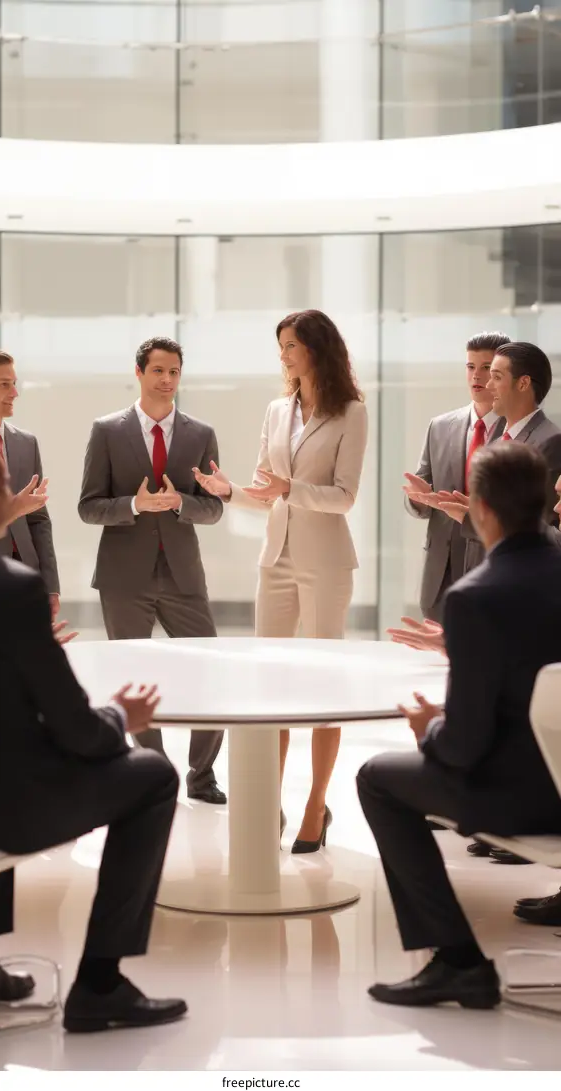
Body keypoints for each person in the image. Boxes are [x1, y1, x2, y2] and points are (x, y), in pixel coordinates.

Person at [0, 433, 186, 1032]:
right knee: (153, 776)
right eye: (4, 487)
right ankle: (101, 985)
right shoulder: (10, 588)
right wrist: (121, 718)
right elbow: (77, 730)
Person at [357, 442, 561, 1009]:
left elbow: (465, 747)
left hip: (525, 801)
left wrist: (430, 729)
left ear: (481, 509)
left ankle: (458, 961)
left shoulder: (475, 597)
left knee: (377, 779)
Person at [194, 309, 368, 851]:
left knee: (323, 689)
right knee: (271, 687)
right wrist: (229, 492)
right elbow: (267, 493)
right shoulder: (277, 410)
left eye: (291, 345)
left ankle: (317, 804)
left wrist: (289, 489)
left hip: (326, 564)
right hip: (276, 561)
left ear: (316, 348)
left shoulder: (352, 412)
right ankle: (268, 802)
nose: (284, 355)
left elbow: (344, 498)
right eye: (282, 346)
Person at [78, 336, 225, 805]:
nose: (167, 380)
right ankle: (155, 774)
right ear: (139, 372)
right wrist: (134, 506)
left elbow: (214, 508)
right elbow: (88, 506)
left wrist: (182, 502)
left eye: (174, 372)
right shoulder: (107, 430)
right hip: (124, 578)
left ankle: (202, 776)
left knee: (211, 672)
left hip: (183, 575)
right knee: (133, 676)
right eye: (158, 370)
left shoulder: (200, 434)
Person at [403, 332, 509, 622]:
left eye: (486, 367)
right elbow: (420, 497)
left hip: (492, 566)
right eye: (470, 366)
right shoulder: (439, 426)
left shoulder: (517, 431)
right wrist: (419, 499)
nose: (477, 376)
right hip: (442, 571)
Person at [434, 342, 561, 572]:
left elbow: (539, 532)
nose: (488, 385)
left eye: (496, 377)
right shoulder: (495, 440)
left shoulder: (549, 442)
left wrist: (472, 517)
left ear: (523, 383)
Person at [0, 347, 60, 619]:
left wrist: (51, 586)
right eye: (4, 384)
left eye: (14, 383)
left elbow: (39, 520)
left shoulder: (26, 443)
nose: (15, 393)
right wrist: (14, 509)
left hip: (27, 574)